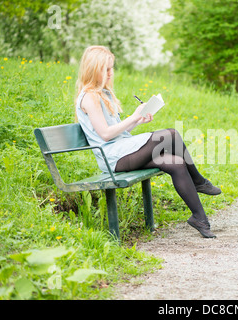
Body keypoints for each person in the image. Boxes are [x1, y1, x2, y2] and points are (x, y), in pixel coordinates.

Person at [74, 45, 220, 238]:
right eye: (106, 69)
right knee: (171, 135)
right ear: (93, 70)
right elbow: (105, 135)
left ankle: (199, 219)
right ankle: (199, 181)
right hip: (113, 159)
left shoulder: (104, 94)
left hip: (123, 150)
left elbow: (119, 132)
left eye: (111, 68)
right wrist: (133, 116)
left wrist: (137, 121)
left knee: (175, 163)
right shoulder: (89, 98)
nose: (110, 73)